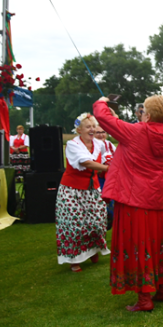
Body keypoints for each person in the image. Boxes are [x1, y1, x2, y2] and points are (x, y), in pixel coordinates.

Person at [95, 95, 163, 312]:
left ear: (148, 115)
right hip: (156, 197)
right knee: (158, 243)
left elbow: (101, 117)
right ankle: (162, 289)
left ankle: (144, 299)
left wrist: (102, 101)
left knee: (137, 245)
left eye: (143, 111)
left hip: (134, 199)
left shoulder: (137, 132)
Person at [55, 113, 110, 273]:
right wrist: (108, 168)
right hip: (72, 190)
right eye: (88, 127)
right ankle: (74, 260)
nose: (92, 129)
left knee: (98, 220)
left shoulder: (99, 144)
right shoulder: (73, 145)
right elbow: (85, 162)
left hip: (92, 189)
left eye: (93, 126)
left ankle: (92, 250)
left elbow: (108, 155)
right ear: (79, 130)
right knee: (74, 224)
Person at [95, 126, 116, 229]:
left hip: (110, 179)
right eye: (98, 132)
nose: (101, 135)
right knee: (101, 204)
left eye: (103, 132)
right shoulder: (93, 145)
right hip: (99, 179)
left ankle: (108, 223)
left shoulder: (110, 145)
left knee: (111, 204)